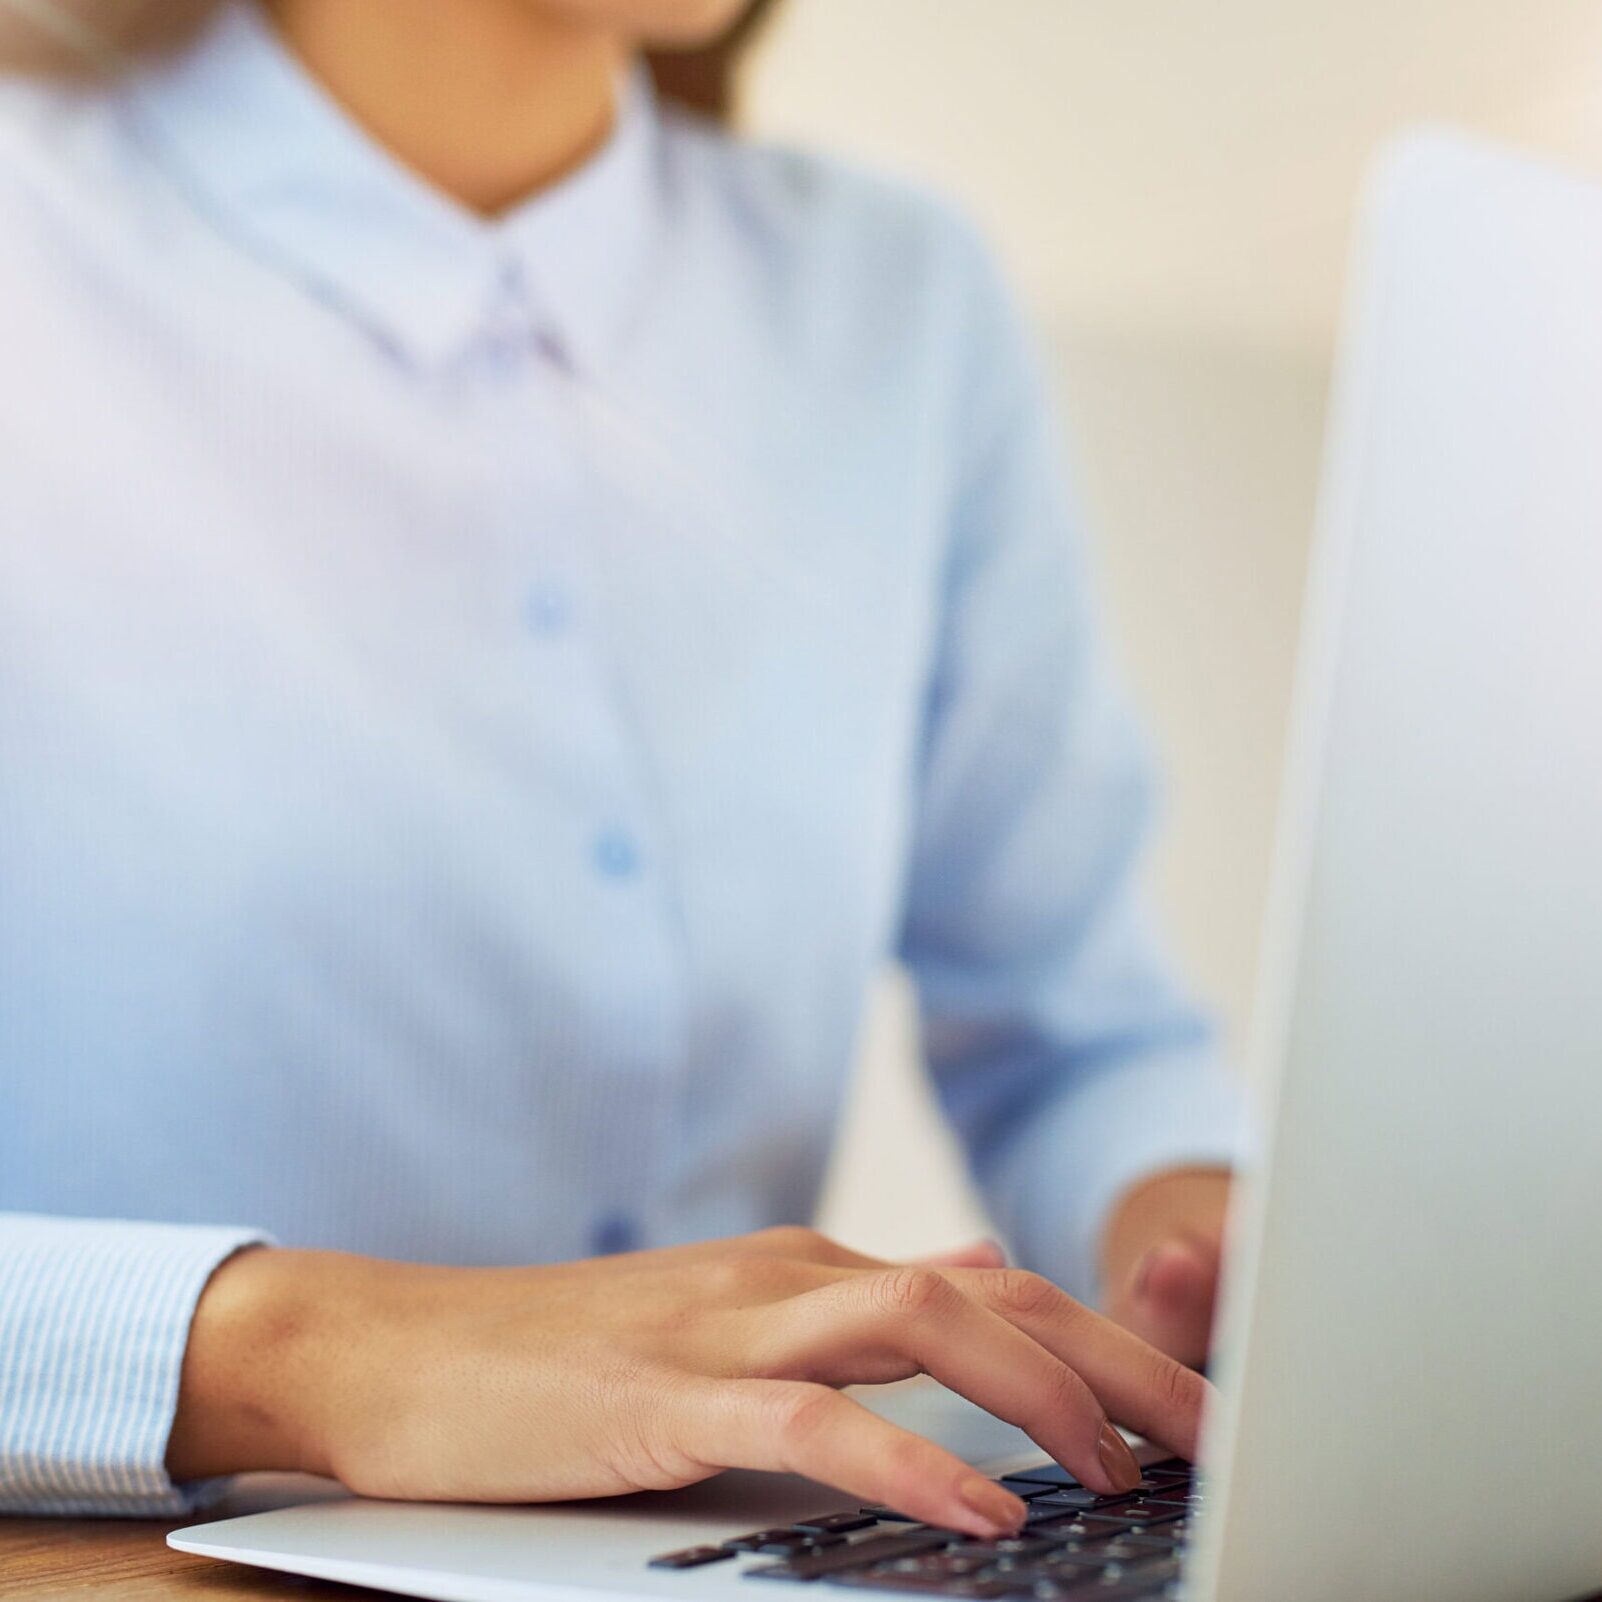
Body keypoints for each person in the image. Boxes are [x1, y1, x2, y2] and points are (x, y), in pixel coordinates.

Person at [0, 0, 1245, 1534]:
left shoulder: (896, 300)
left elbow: (1074, 1026)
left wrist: (1185, 1219)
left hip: (759, 1546)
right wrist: (314, 1351)